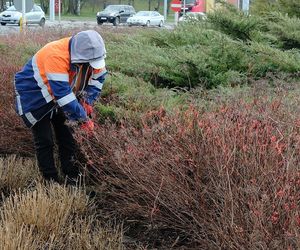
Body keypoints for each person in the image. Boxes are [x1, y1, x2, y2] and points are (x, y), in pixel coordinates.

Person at [14, 30, 107, 183]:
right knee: (45, 140)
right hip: (34, 94)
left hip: (60, 94)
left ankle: (71, 177)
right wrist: (83, 119)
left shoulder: (93, 54)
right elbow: (63, 96)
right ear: (80, 56)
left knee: (68, 137)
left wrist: (87, 102)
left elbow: (98, 78)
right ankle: (50, 180)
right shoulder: (56, 55)